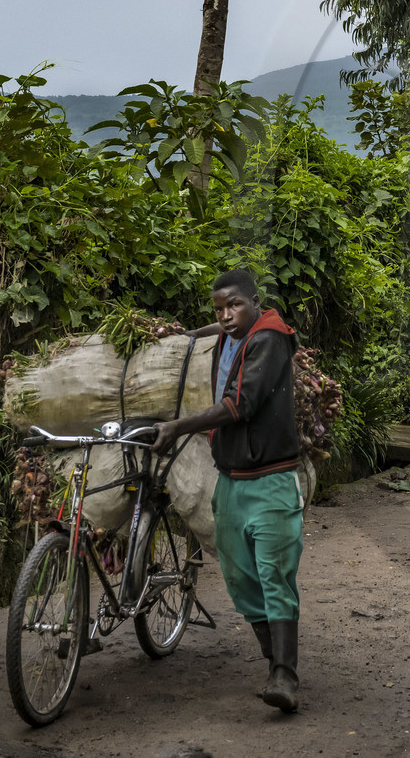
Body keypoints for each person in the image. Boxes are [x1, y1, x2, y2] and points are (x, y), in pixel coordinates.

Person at [151, 269, 304, 712]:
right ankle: (274, 658)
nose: (226, 315)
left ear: (255, 301)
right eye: (218, 309)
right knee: (239, 578)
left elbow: (241, 403)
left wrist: (179, 426)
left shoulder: (270, 339)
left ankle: (284, 676)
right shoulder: (229, 334)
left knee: (275, 574)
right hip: (231, 480)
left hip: (272, 479)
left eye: (234, 305)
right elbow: (216, 329)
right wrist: (186, 333)